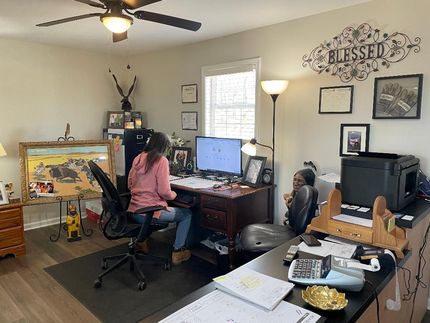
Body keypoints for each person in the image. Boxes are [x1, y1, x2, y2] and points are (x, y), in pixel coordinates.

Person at [127, 132, 192, 265]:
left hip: (134, 210)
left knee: (180, 211)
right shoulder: (161, 161)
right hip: (150, 212)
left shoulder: (138, 158)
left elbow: (129, 184)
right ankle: (178, 252)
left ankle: (141, 242)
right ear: (165, 147)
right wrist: (175, 195)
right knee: (187, 214)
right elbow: (164, 192)